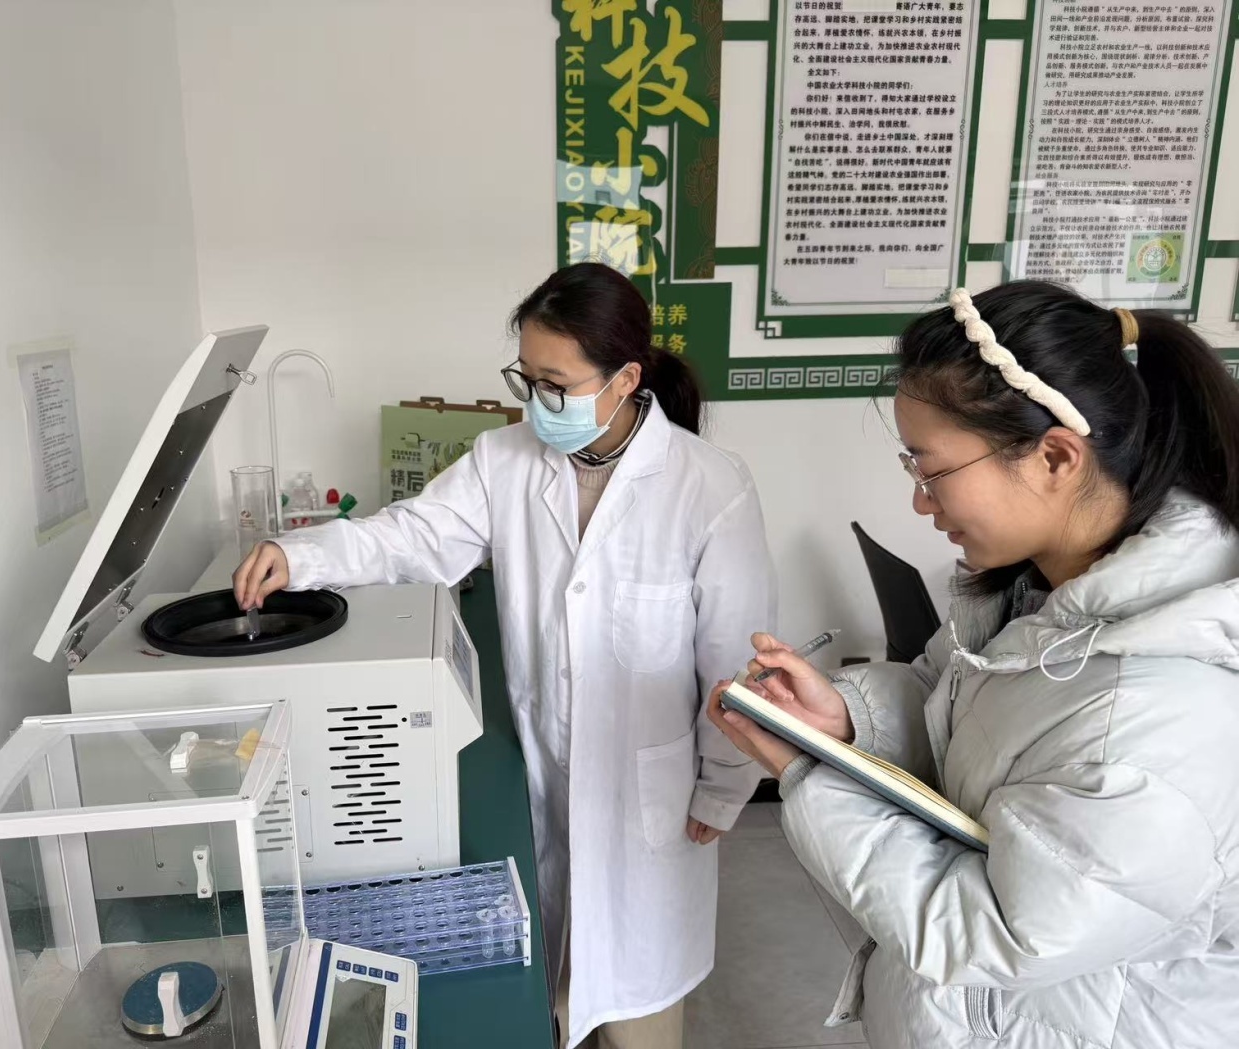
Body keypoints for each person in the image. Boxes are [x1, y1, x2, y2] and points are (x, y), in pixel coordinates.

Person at [236, 262, 778, 1048]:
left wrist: (723, 791)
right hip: (546, 784)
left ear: (626, 379)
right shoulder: (504, 460)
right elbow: (413, 536)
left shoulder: (709, 485)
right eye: (527, 379)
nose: (537, 402)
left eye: (556, 385)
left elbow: (736, 665)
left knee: (637, 1019)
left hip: (651, 807)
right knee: (548, 996)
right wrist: (302, 557)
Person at [708, 280, 1239, 1048]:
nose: (921, 503)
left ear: (1055, 457)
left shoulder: (1161, 722)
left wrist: (809, 776)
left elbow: (987, 928)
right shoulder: (1031, 590)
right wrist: (846, 717)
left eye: (933, 471)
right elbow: (949, 695)